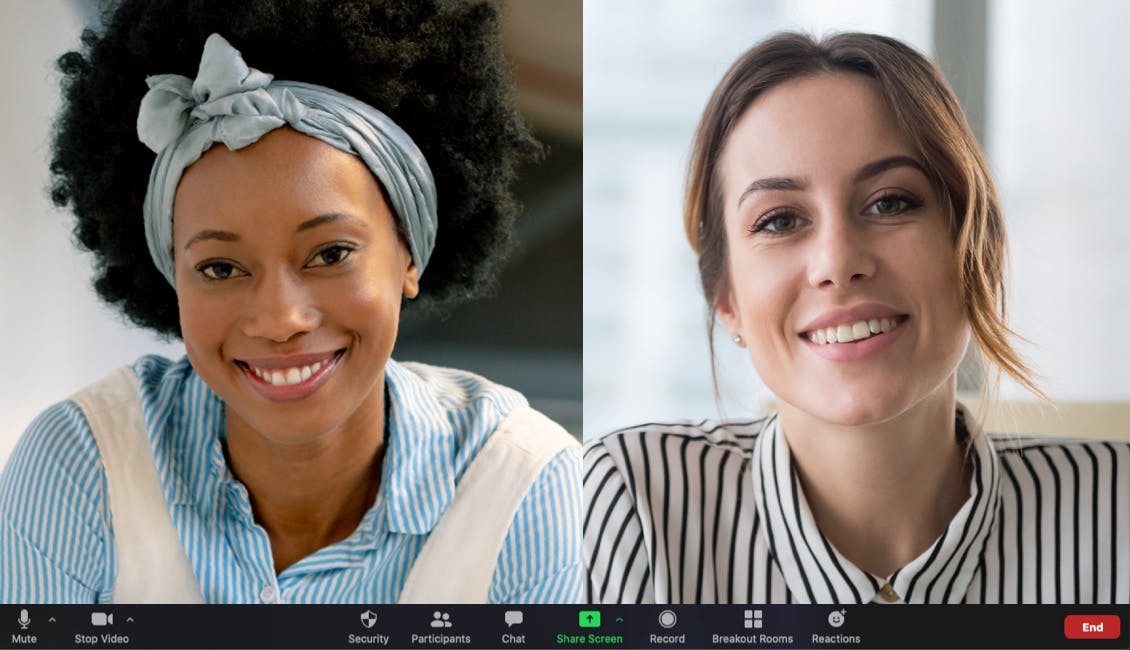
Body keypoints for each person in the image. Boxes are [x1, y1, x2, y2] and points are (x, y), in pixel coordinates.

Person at [0, 0, 582, 604]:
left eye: (330, 254)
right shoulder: (82, 465)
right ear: (173, 277)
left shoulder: (528, 488)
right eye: (220, 267)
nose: (280, 319)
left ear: (408, 254)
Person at [584, 32, 1129, 604]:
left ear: (978, 252)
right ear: (726, 300)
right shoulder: (626, 504)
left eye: (890, 202)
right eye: (779, 221)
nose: (838, 263)